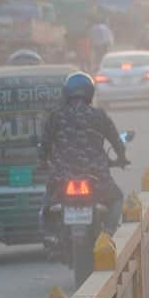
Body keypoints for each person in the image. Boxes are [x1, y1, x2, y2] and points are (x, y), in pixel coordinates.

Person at [40, 73, 129, 235]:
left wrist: (41, 163)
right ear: (90, 93)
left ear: (66, 93)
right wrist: (122, 158)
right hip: (96, 175)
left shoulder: (55, 116)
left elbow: (44, 144)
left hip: (61, 175)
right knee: (116, 199)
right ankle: (109, 231)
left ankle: (50, 235)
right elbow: (116, 141)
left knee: (46, 204)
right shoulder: (99, 115)